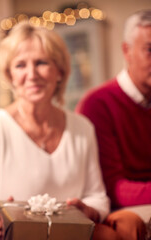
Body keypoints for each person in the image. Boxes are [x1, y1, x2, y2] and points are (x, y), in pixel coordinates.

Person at [0, 22, 118, 240]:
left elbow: (98, 198)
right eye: (20, 65)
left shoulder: (83, 128)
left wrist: (88, 210)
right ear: (10, 75)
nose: (32, 74)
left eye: (42, 62)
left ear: (60, 71)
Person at [76, 9, 151, 240]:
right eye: (150, 50)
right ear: (126, 51)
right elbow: (112, 188)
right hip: (122, 208)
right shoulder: (97, 104)